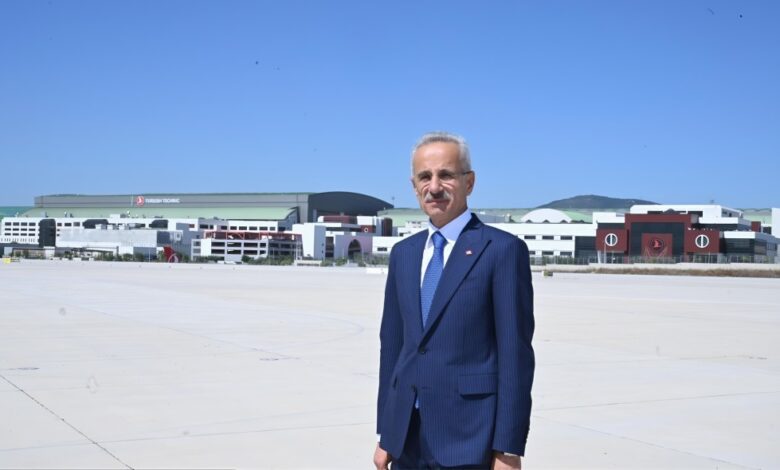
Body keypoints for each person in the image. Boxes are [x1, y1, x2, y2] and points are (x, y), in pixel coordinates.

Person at [374, 132, 535, 470]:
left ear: (469, 182)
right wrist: (386, 433)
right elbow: (393, 348)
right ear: (414, 186)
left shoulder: (501, 251)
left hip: (470, 438)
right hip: (406, 438)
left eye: (445, 175)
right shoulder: (404, 254)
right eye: (424, 177)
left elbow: (515, 356)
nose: (434, 187)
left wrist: (507, 448)